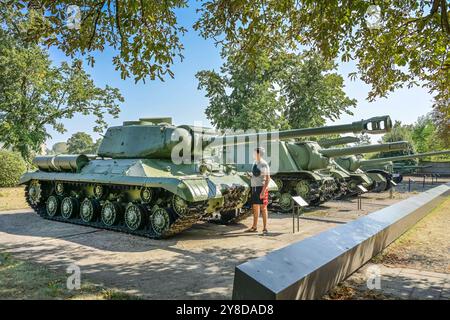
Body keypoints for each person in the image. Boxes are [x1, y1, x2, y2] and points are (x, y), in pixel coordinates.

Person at [246, 147, 270, 235]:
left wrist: (263, 191)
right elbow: (257, 175)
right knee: (255, 208)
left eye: (254, 153)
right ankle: (254, 227)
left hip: (261, 188)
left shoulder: (263, 164)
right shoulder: (255, 163)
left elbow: (267, 178)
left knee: (263, 208)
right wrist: (250, 176)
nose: (253, 154)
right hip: (255, 187)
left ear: (258, 154)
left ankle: (265, 229)